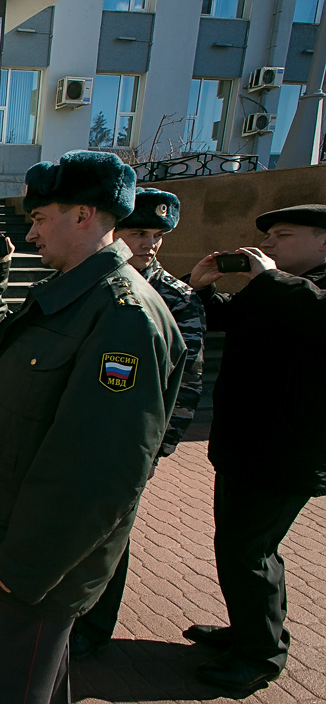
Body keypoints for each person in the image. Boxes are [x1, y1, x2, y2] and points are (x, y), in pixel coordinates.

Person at [0, 150, 186, 703]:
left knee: (15, 687)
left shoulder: (122, 316)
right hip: (23, 545)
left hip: (40, 565)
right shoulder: (73, 291)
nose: (29, 236)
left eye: (39, 219)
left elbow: (100, 470)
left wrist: (27, 571)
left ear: (82, 215)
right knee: (39, 681)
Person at [183, 204, 326, 692]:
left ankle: (259, 657)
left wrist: (269, 280)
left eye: (283, 236)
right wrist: (198, 286)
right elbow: (221, 318)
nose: (268, 245)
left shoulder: (297, 290)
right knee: (246, 548)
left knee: (249, 551)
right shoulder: (280, 288)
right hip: (249, 447)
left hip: (287, 454)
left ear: (323, 241)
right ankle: (251, 631)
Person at [70, 187, 206, 658]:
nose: (149, 243)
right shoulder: (86, 281)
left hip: (129, 441)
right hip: (79, 430)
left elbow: (185, 383)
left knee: (109, 534)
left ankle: (92, 627)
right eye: (138, 232)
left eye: (157, 235)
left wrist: (158, 449)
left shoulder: (177, 298)